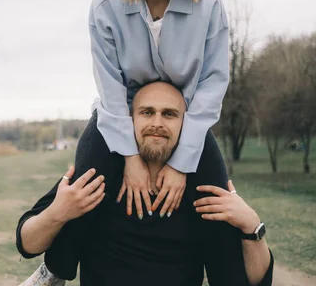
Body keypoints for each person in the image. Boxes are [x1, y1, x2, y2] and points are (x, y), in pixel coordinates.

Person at [24, 0, 234, 282]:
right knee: (88, 181)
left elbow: (213, 83)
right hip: (119, 117)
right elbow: (108, 86)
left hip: (182, 123)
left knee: (217, 195)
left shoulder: (211, 6)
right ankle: (54, 270)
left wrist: (180, 162)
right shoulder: (107, 3)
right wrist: (131, 158)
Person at [16, 82, 273, 286]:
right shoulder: (99, 177)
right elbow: (27, 243)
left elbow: (254, 282)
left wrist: (252, 226)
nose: (157, 123)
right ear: (130, 120)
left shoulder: (200, 190)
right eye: (147, 112)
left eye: (170, 114)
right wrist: (58, 213)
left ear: (187, 125)